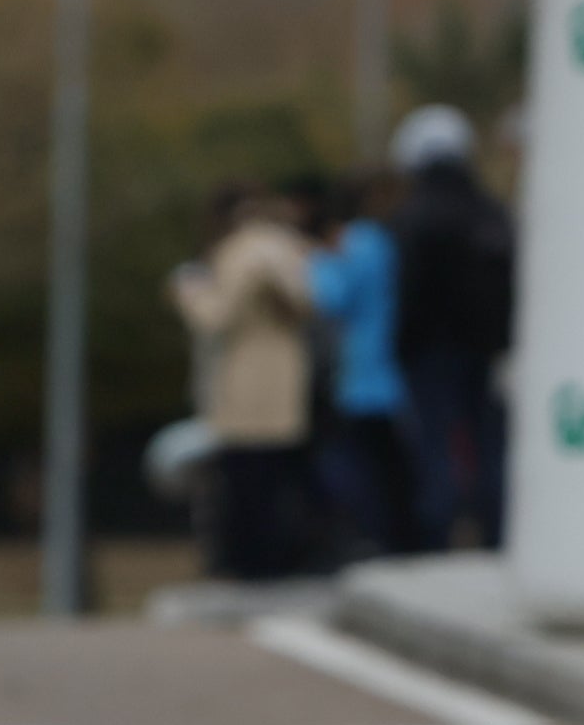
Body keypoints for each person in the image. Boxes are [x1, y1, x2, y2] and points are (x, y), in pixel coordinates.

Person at [166, 184, 317, 581]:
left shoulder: (238, 252)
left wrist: (189, 293)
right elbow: (309, 305)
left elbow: (215, 318)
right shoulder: (291, 249)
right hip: (286, 379)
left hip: (244, 380)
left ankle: (248, 564)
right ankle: (282, 560)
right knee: (278, 481)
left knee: (243, 485)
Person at [387, 104, 516, 550]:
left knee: (435, 451)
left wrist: (404, 347)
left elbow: (407, 294)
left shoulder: (413, 216)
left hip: (430, 355)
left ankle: (434, 540)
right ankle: (495, 536)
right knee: (488, 451)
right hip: (487, 352)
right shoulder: (491, 211)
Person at [298, 172, 415, 561]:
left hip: (365, 375)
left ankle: (375, 539)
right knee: (392, 467)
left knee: (366, 469)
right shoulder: (387, 241)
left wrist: (315, 259)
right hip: (391, 371)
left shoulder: (358, 243)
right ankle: (399, 538)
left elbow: (329, 298)